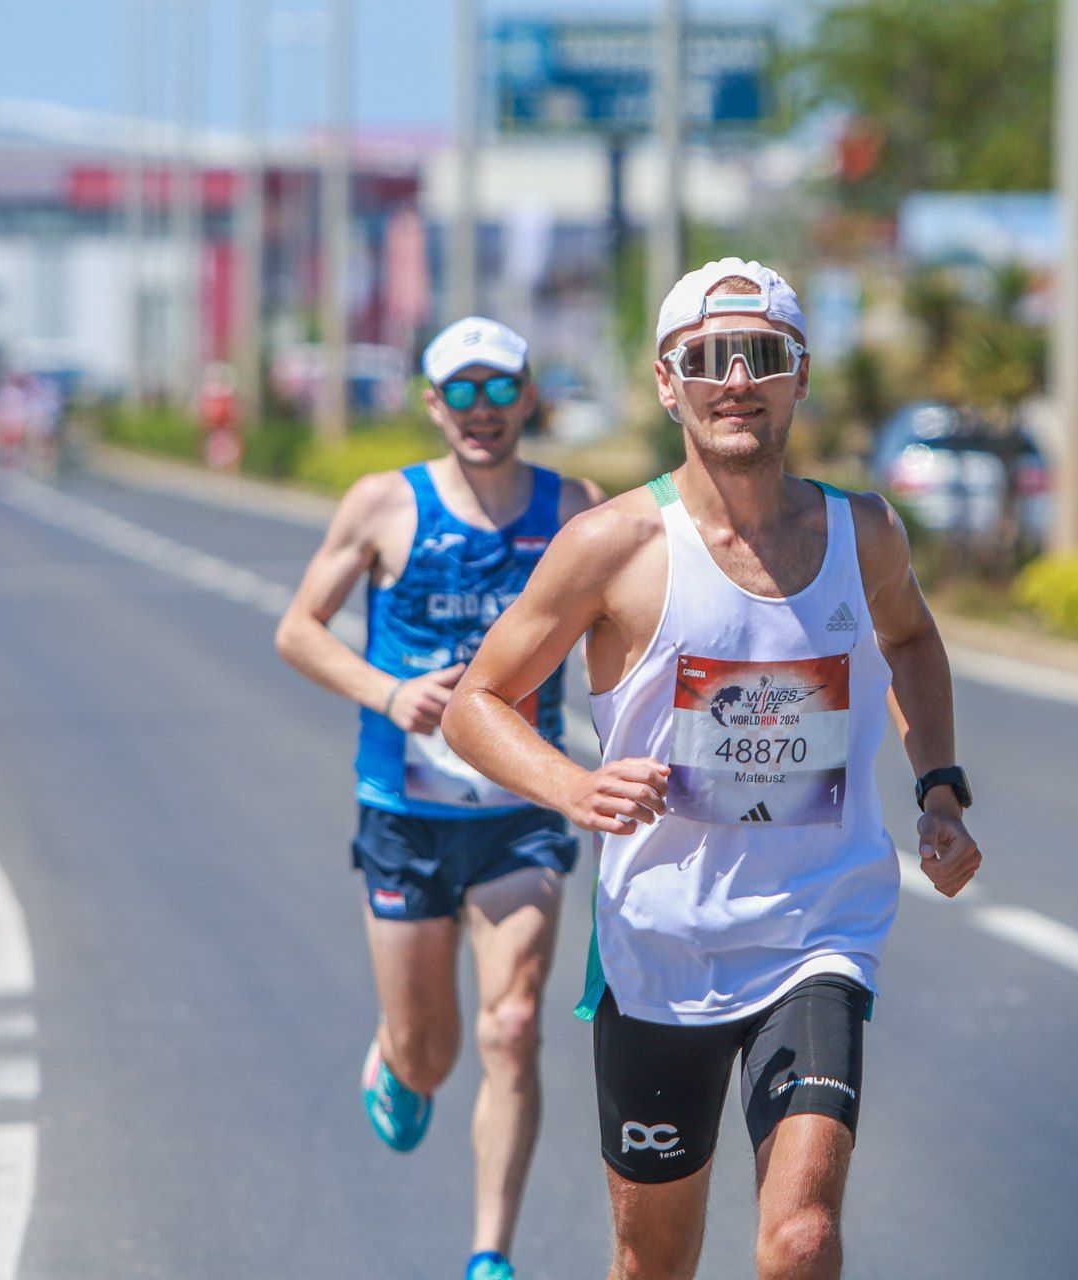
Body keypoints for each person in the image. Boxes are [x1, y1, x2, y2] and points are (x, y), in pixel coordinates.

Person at [442, 259, 984, 1280]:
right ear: (667, 382)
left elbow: (912, 637)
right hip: (662, 946)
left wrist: (940, 789)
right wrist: (572, 787)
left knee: (802, 1238)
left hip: (816, 932)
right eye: (709, 359)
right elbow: (476, 702)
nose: (737, 380)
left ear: (800, 375)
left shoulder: (863, 532)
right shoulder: (613, 544)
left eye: (763, 355)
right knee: (654, 1262)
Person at [274, 316, 602, 1280]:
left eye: (499, 389)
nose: (481, 410)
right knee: (431, 1055)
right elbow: (299, 630)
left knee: (514, 1024)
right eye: (462, 391)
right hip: (406, 816)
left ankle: (489, 1254)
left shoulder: (575, 509)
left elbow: (630, 632)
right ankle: (398, 1055)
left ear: (528, 396)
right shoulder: (384, 504)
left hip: (519, 814)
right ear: (433, 403)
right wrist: (390, 694)